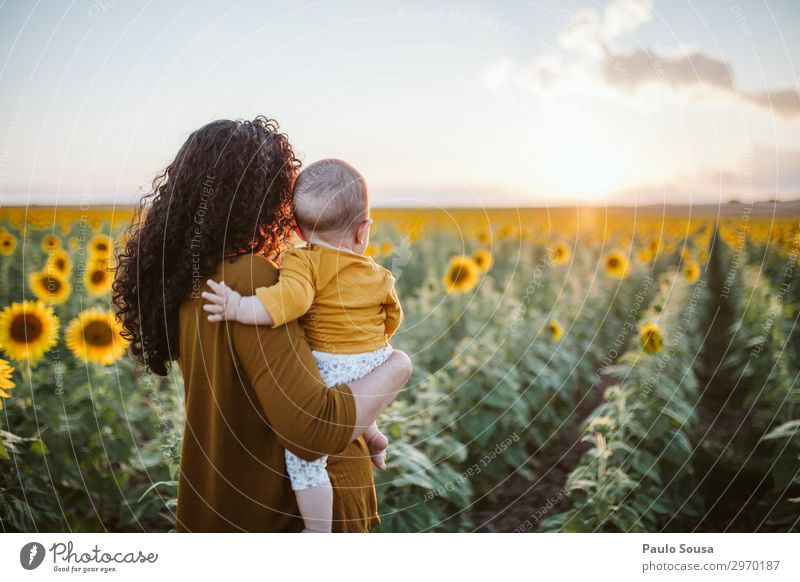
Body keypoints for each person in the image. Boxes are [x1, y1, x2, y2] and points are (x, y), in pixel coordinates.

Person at [113, 118, 412, 532]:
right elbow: (314, 429)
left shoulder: (189, 283)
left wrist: (369, 427)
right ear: (267, 200)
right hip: (279, 517)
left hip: (220, 505)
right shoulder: (251, 284)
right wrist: (397, 367)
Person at [202, 158, 402, 533]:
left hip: (330, 363)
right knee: (360, 390)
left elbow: (292, 299)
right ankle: (372, 432)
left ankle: (317, 530)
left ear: (295, 227)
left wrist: (240, 306)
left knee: (305, 461)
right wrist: (379, 349)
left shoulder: (301, 262)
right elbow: (392, 316)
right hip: (376, 356)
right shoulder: (379, 275)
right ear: (364, 231)